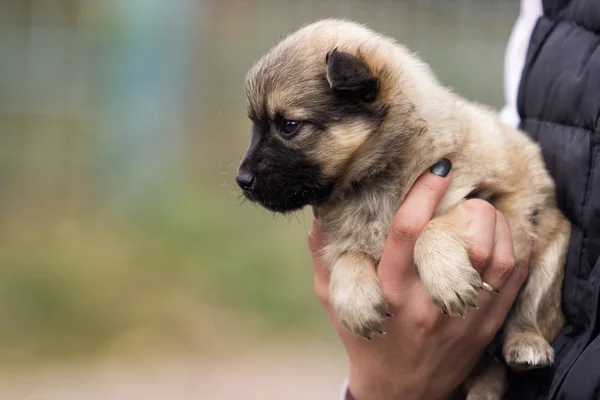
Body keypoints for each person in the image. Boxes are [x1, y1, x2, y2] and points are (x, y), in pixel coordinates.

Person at [308, 0, 600, 398]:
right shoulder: (553, 14)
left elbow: (522, 194)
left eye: (290, 127)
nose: (247, 170)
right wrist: (378, 383)